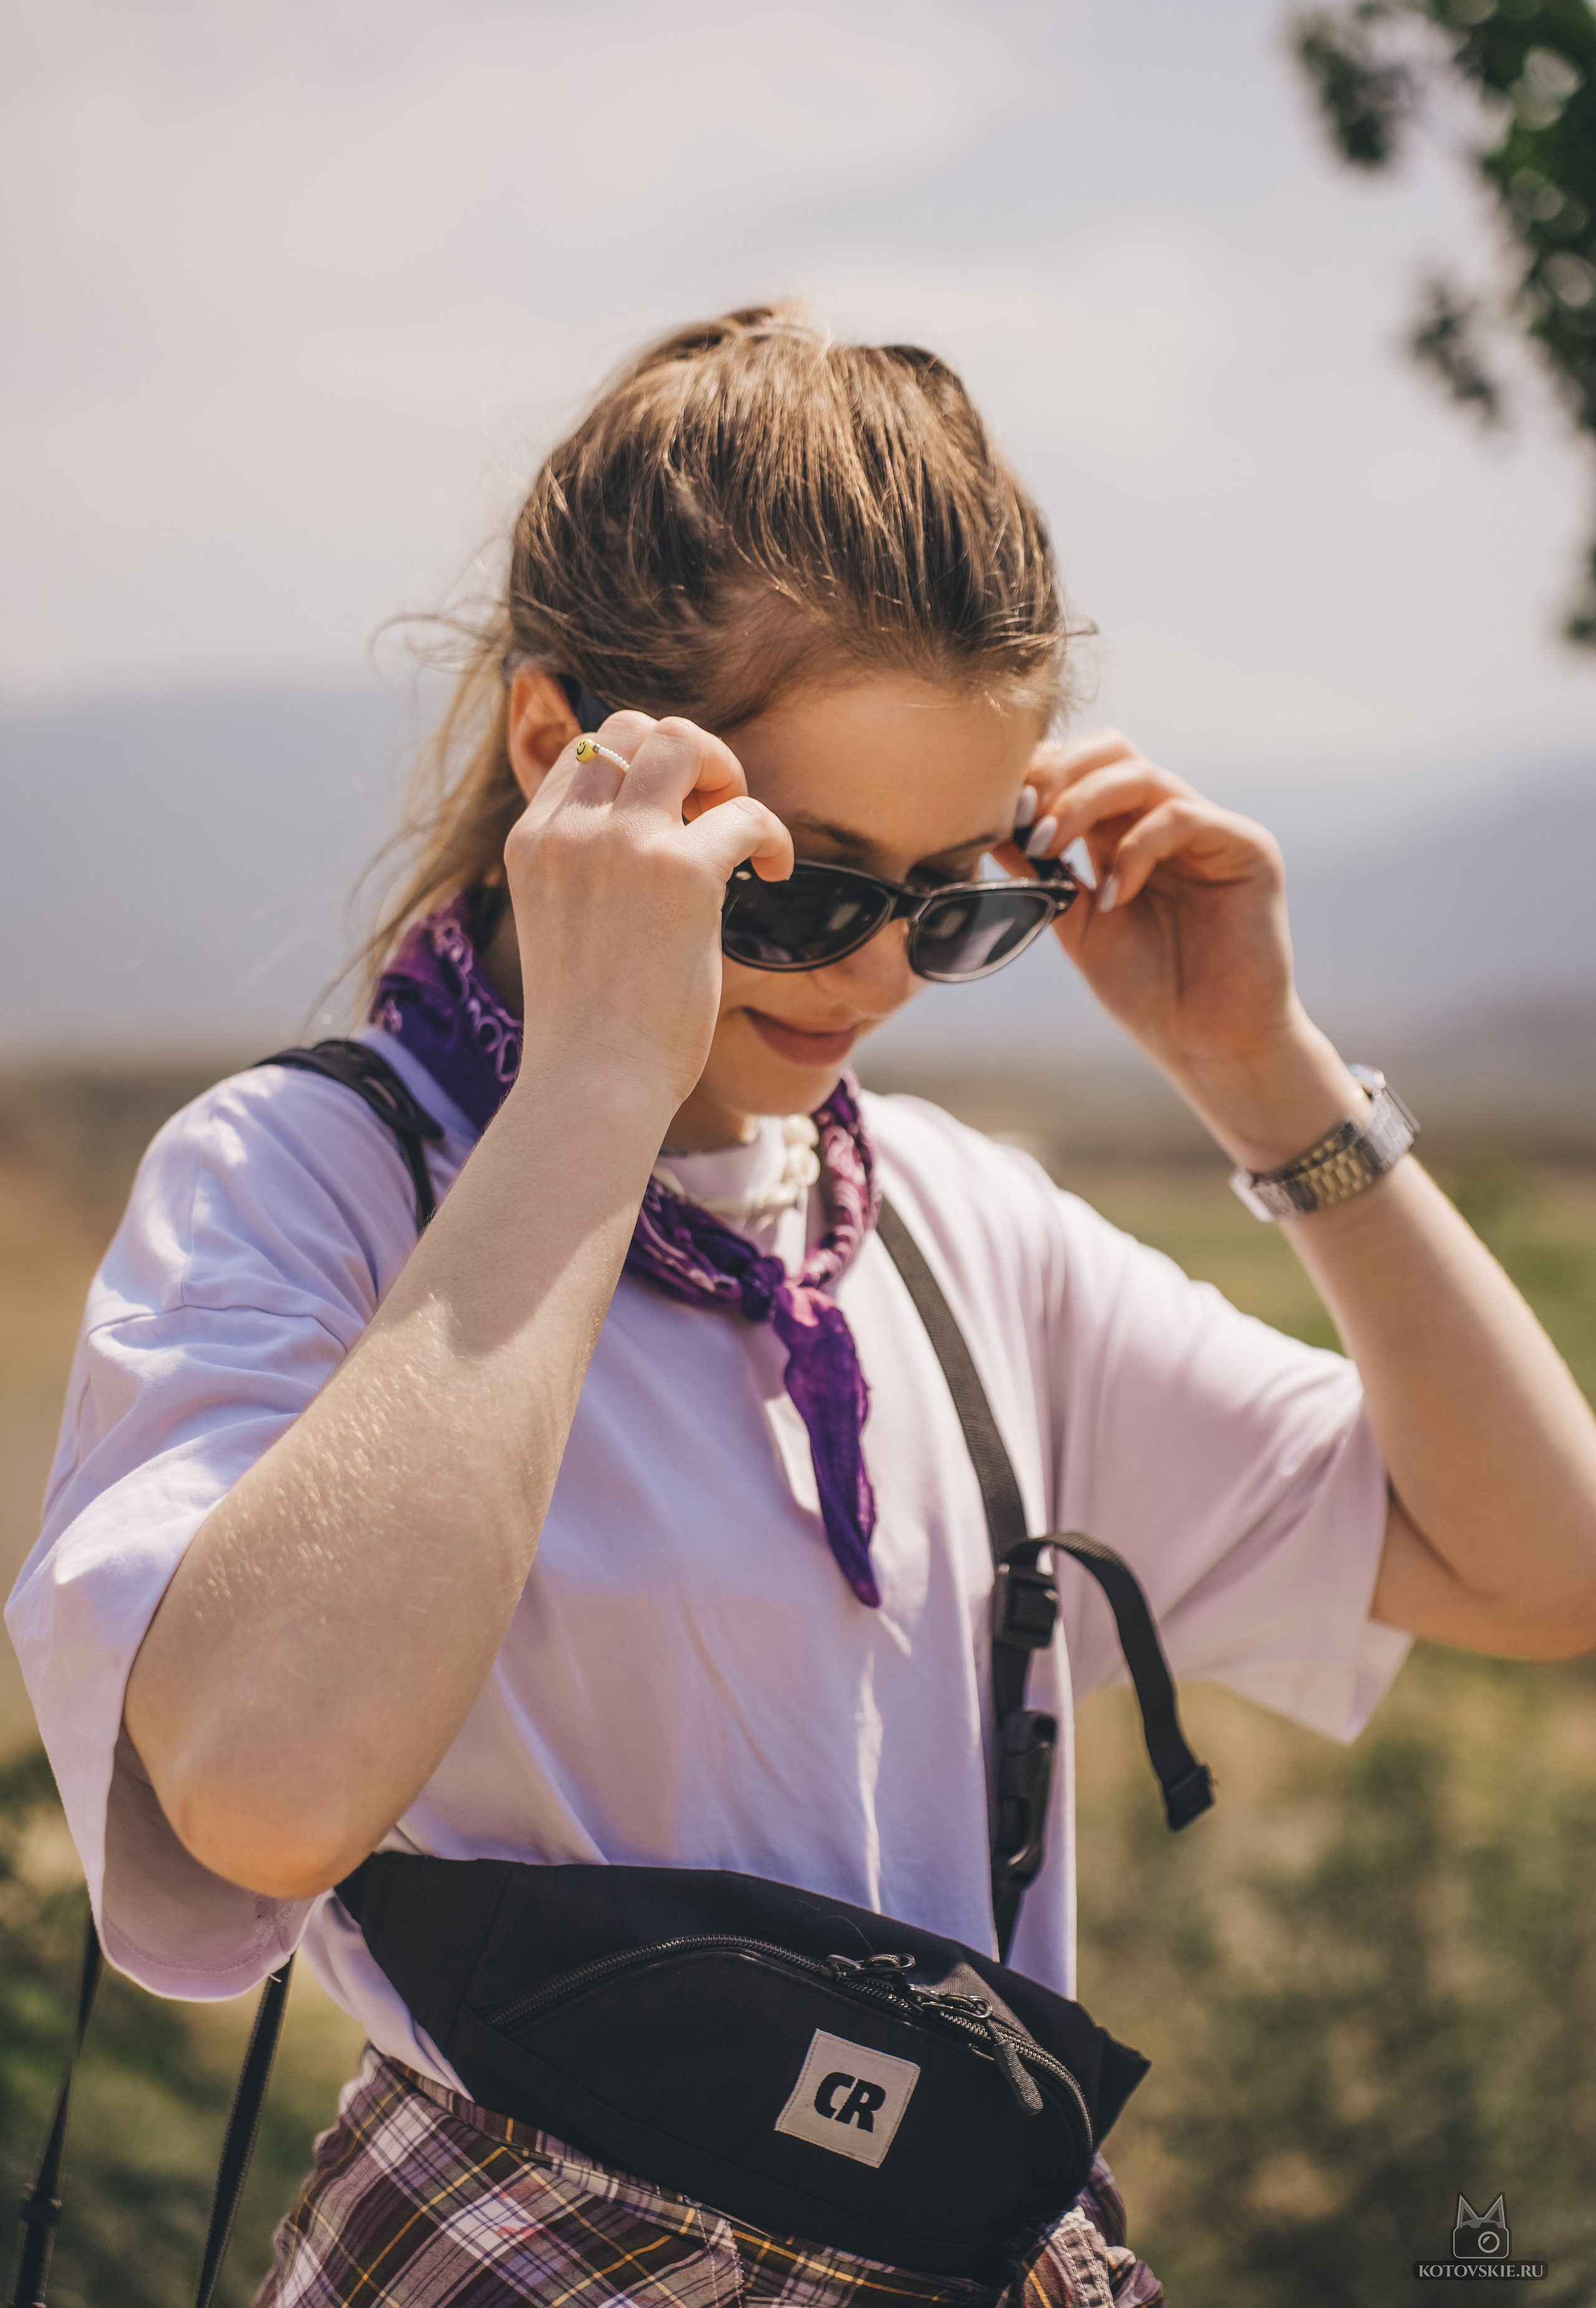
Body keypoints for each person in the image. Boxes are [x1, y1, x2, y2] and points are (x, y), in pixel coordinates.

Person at [9, 305, 1596, 2308]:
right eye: (802, 883)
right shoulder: (305, 1190)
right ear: (551, 755)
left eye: (954, 903)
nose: (872, 982)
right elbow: (257, 1795)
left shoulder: (946, 1234)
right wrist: (595, 1082)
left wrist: (1263, 1069)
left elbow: (1540, 1567)